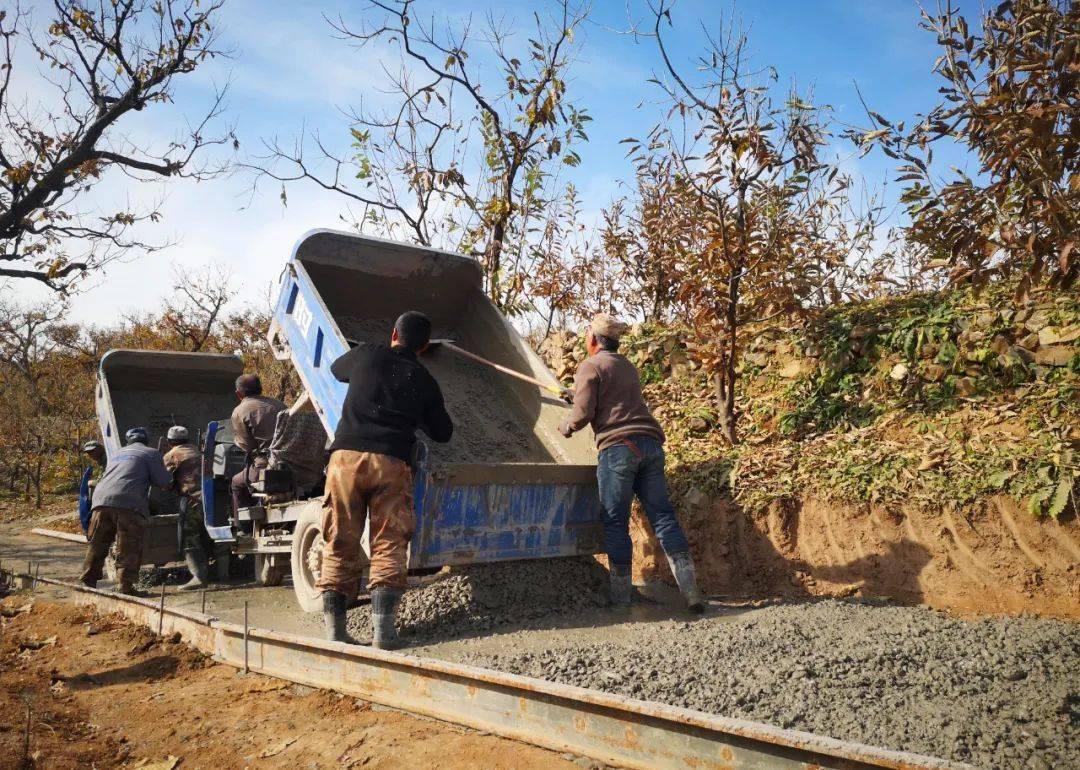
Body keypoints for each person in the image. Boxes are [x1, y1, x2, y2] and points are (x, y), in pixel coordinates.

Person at [317, 311, 453, 649]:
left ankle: (335, 633)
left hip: (344, 460)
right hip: (391, 463)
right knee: (389, 543)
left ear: (393, 333)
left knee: (338, 540)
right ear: (423, 346)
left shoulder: (367, 354)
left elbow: (336, 369)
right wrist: (417, 411)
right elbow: (443, 433)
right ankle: (384, 634)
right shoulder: (424, 379)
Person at [558, 314, 704, 613]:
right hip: (649, 445)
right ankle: (691, 593)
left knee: (615, 520)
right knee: (662, 517)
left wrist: (567, 425)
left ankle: (621, 600)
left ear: (594, 340)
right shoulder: (626, 365)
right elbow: (611, 400)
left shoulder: (591, 365)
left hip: (619, 450)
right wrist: (576, 395)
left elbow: (584, 412)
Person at [80, 427, 172, 596]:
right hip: (129, 503)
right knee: (128, 546)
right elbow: (163, 482)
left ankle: (88, 581)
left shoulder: (115, 453)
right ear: (145, 440)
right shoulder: (151, 453)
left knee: (97, 543)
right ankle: (125, 586)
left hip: (100, 501)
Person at [163, 425, 213, 591]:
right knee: (213, 536)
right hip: (212, 498)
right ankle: (223, 573)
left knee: (189, 537)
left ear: (170, 442)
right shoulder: (200, 452)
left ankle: (198, 578)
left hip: (193, 500)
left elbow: (165, 482)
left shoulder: (171, 455)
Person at [229, 373, 286, 513]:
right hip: (292, 462)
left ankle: (243, 527)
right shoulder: (280, 404)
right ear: (261, 389)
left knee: (236, 482)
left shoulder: (240, 411)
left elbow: (246, 446)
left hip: (267, 467)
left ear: (238, 394)